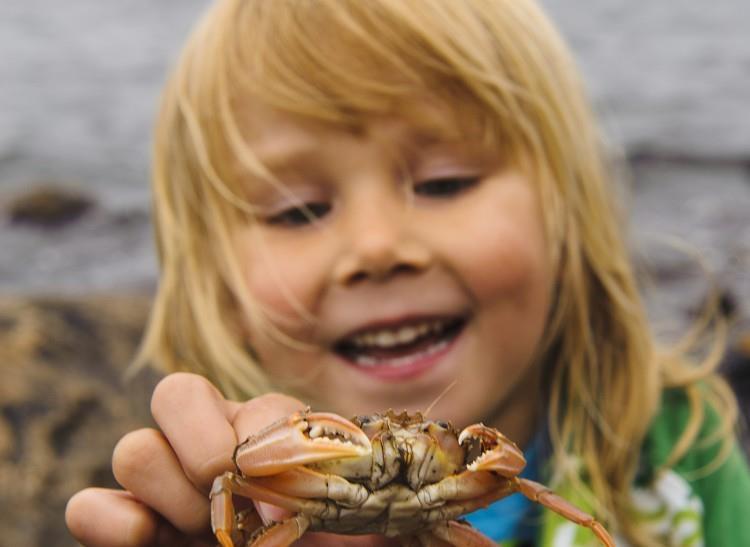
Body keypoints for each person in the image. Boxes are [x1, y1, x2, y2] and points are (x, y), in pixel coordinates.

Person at [65, 0, 750, 545]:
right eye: (300, 210)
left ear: (567, 221)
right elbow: (229, 480)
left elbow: (519, 481)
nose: (377, 246)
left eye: (445, 182)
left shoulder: (686, 463)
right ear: (221, 294)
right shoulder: (273, 495)